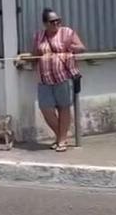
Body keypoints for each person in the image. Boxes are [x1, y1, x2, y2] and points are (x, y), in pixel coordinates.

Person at [32, 8, 85, 152]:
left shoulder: (67, 32)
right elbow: (34, 53)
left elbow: (81, 47)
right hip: (44, 78)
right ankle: (61, 136)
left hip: (63, 76)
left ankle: (61, 140)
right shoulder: (39, 36)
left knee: (64, 107)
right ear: (45, 23)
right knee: (46, 108)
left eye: (58, 20)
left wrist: (70, 46)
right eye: (52, 21)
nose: (56, 23)